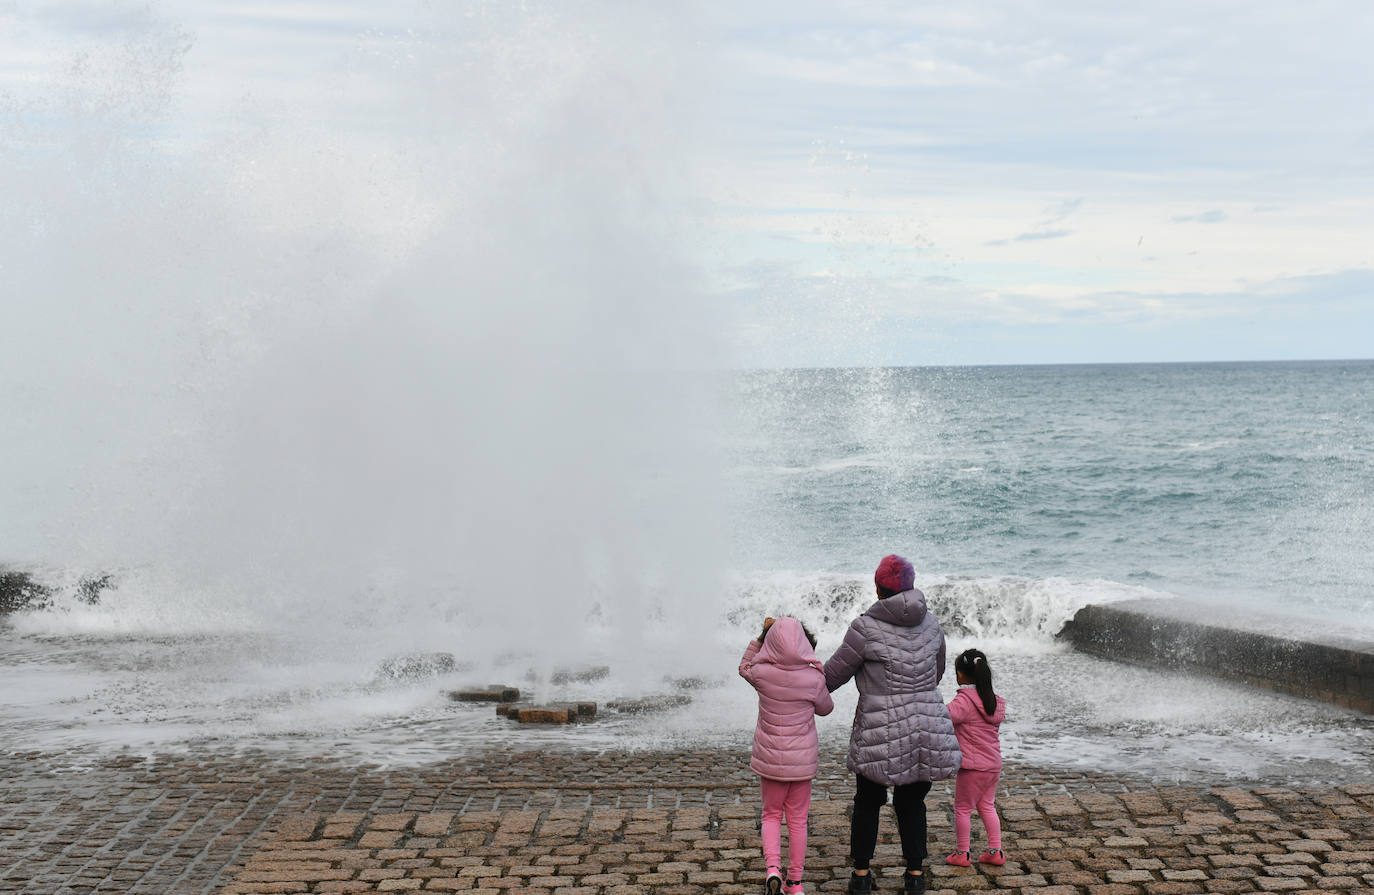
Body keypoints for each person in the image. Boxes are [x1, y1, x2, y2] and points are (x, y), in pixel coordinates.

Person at [823, 555, 961, 895]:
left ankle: (860, 876)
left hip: (879, 731)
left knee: (868, 802)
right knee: (912, 803)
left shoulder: (864, 628)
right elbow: (938, 672)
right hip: (926, 725)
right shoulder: (932, 624)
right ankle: (915, 875)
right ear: (912, 586)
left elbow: (831, 676)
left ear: (878, 588)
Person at [740, 616, 835, 895]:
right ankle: (794, 882)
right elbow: (826, 709)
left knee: (770, 815)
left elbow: (743, 666)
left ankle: (772, 869)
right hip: (801, 764)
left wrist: (761, 636)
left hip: (770, 762)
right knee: (798, 821)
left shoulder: (761, 674)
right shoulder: (813, 678)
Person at [945, 648, 1007, 867]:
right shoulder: (993, 700)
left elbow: (943, 717)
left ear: (960, 675)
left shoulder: (964, 701)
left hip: (973, 767)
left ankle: (962, 853)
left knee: (962, 808)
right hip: (993, 765)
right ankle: (995, 851)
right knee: (987, 806)